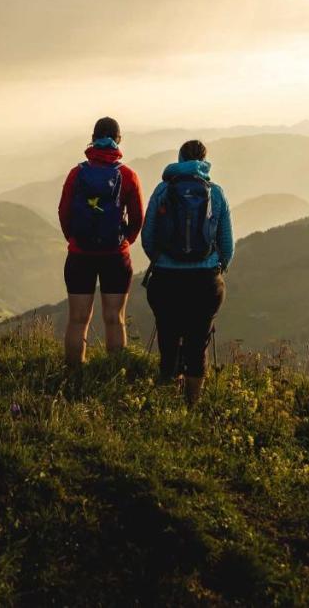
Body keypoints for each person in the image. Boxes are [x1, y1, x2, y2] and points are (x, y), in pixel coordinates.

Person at [140, 139, 233, 406]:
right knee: (197, 342)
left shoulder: (163, 190)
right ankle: (191, 405)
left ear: (179, 159)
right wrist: (218, 268)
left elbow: (148, 236)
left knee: (168, 338)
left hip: (166, 280)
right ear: (204, 161)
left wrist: (160, 261)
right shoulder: (216, 193)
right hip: (205, 282)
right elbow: (227, 244)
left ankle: (167, 400)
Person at [58, 116, 144, 369]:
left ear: (93, 138)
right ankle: (114, 373)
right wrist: (125, 241)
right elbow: (138, 216)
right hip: (115, 256)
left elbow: (64, 212)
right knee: (115, 319)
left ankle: (74, 374)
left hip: (80, 255)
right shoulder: (127, 175)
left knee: (77, 319)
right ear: (118, 140)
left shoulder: (77, 174)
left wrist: (74, 239)